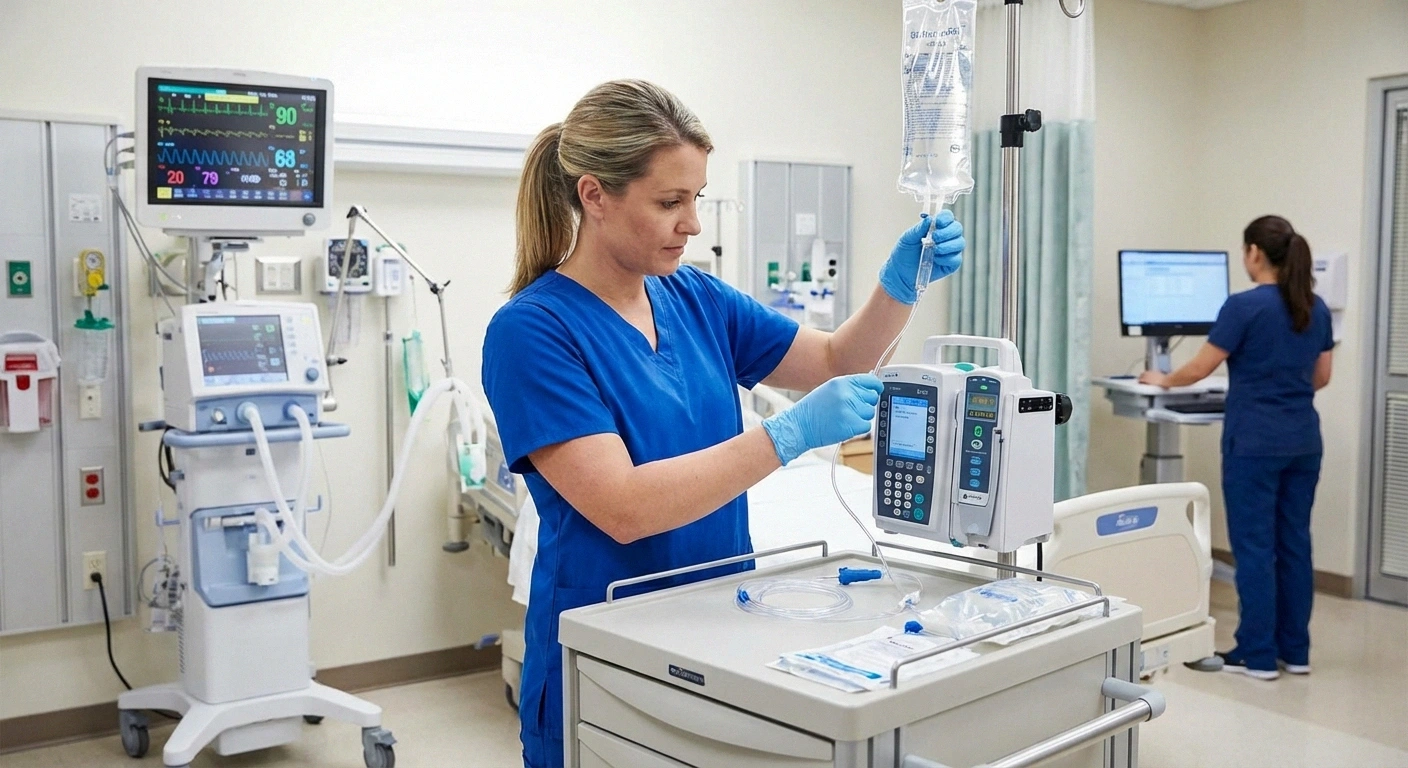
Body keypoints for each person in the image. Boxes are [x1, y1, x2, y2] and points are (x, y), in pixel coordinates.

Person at [481, 80, 964, 767]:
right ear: (594, 195)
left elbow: (833, 358)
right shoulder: (532, 332)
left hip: (721, 629)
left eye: (697, 198)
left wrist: (901, 284)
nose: (693, 223)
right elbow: (622, 507)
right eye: (670, 202)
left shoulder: (693, 295)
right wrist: (787, 435)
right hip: (607, 644)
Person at [1140, 215, 1334, 681]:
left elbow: (1201, 368)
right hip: (1303, 441)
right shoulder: (1316, 306)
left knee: (1254, 548)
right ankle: (1296, 653)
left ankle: (1258, 655)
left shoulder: (1244, 306)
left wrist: (1161, 378)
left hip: (1255, 444)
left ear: (1254, 254)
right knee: (1294, 545)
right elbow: (1322, 377)